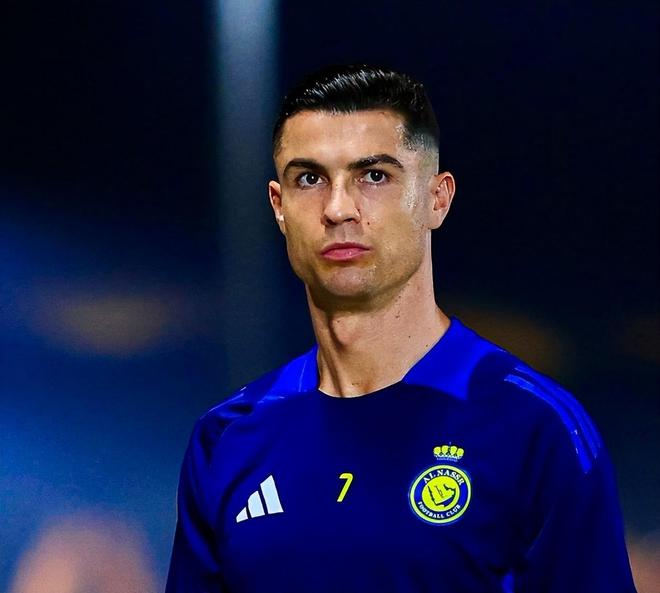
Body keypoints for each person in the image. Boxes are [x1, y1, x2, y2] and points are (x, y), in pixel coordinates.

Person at [166, 64, 636, 593]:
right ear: (279, 207)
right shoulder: (227, 438)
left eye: (374, 176)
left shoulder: (536, 431)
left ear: (438, 199)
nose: (338, 209)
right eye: (310, 179)